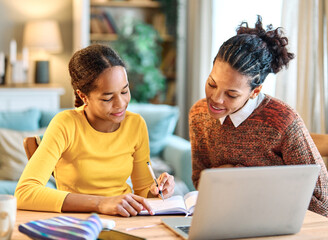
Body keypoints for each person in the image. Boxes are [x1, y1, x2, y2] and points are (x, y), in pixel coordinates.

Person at [189, 16, 328, 217]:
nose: (216, 99)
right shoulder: (199, 115)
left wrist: (242, 179)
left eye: (231, 94)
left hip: (277, 220)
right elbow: (200, 181)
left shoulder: (282, 120)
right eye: (212, 84)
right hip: (227, 215)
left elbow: (322, 202)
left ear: (255, 91)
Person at [15, 44, 175, 217]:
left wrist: (158, 191)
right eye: (107, 98)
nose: (121, 103)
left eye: (124, 91)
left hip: (125, 221)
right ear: (83, 96)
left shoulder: (136, 124)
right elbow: (25, 192)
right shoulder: (66, 124)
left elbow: (143, 190)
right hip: (78, 221)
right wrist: (101, 203)